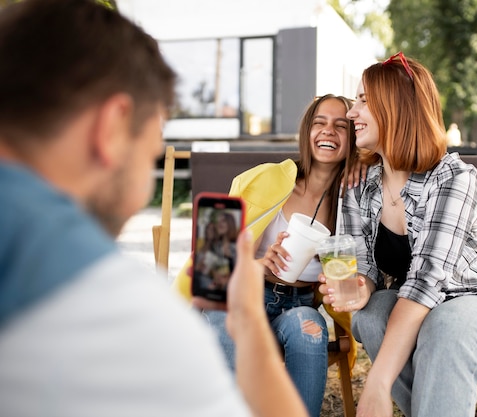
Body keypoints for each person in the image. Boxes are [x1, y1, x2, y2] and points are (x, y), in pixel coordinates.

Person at [0, 1, 308, 416]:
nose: (145, 184)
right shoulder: (123, 318)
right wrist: (250, 326)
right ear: (111, 129)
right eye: (150, 153)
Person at [319, 52, 477, 417]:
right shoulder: (359, 184)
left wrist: (376, 383)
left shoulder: (451, 178)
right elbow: (364, 267)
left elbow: (425, 282)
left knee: (444, 329)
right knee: (371, 315)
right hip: (426, 307)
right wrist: (362, 284)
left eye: (363, 100)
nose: (351, 112)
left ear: (397, 107)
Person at [193, 94, 358, 417]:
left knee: (310, 328)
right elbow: (209, 262)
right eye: (319, 123)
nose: (329, 132)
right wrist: (257, 265)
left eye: (342, 126)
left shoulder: (351, 202)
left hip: (299, 303)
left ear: (353, 138)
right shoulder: (263, 179)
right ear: (306, 131)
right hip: (243, 295)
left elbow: (348, 284)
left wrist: (337, 282)